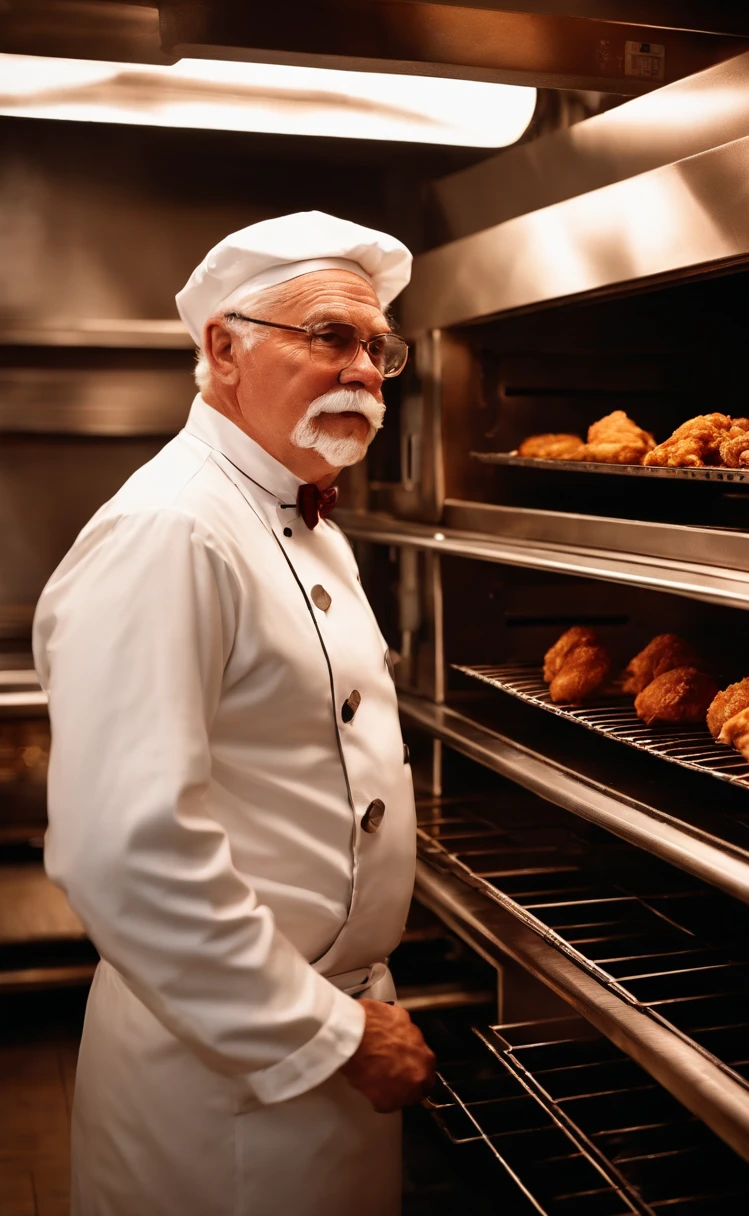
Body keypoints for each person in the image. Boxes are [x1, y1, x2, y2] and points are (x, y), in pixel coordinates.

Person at [32, 211, 436, 1216]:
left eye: (377, 346)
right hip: (230, 1070)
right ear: (224, 347)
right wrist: (331, 1033)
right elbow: (128, 851)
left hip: (316, 1030)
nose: (362, 370)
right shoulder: (173, 530)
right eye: (329, 337)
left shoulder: (301, 511)